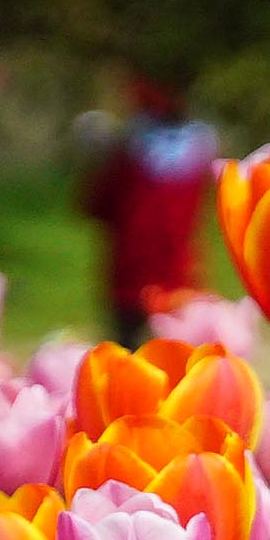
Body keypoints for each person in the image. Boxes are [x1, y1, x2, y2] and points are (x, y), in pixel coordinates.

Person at [73, 74, 220, 342]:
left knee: (133, 352)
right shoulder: (201, 149)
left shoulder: (127, 150)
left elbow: (95, 204)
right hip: (177, 272)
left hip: (135, 273)